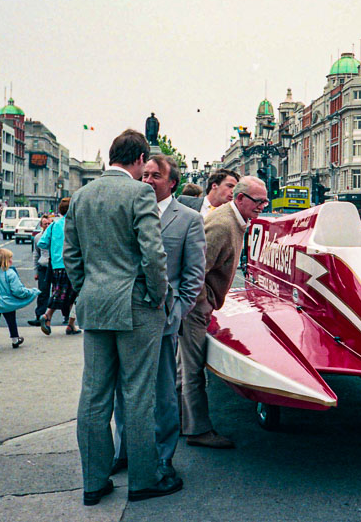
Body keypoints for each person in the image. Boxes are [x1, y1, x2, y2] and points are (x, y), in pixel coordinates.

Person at [63, 129, 179, 504]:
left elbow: (71, 256)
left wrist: (85, 292)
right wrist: (156, 296)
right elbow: (153, 253)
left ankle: (94, 482)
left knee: (94, 396)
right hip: (135, 305)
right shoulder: (140, 193)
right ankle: (145, 479)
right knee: (138, 393)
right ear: (141, 159)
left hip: (95, 305)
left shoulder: (81, 196)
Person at [113, 155, 206, 479]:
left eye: (156, 176)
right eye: (146, 174)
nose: (148, 180)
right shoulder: (130, 210)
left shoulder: (189, 219)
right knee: (124, 389)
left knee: (164, 392)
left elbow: (194, 274)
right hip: (125, 313)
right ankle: (123, 450)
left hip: (164, 319)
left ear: (172, 183)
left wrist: (177, 311)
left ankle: (163, 454)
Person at [181, 176, 268, 449]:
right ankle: (197, 429)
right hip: (194, 307)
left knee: (184, 368)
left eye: (265, 200)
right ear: (240, 199)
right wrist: (204, 302)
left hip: (196, 304)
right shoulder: (222, 225)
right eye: (258, 201)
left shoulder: (233, 220)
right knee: (192, 370)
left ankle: (180, 421)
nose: (263, 206)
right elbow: (194, 270)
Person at [0, 248, 39, 355]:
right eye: (10, 258)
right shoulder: (10, 273)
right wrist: (31, 292)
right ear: (6, 261)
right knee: (11, 320)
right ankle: (15, 339)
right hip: (8, 302)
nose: (12, 260)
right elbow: (17, 290)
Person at [37, 198, 80, 335]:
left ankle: (57, 320)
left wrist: (55, 248)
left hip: (57, 265)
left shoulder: (54, 225)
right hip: (73, 264)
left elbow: (41, 243)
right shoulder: (75, 224)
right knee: (75, 295)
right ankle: (55, 318)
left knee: (61, 293)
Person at [26, 215, 53, 327]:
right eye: (45, 224)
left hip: (55, 266)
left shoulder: (56, 236)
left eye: (49, 224)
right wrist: (36, 272)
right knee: (42, 292)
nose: (47, 226)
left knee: (60, 291)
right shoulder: (38, 237)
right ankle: (39, 317)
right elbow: (36, 254)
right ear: (41, 225)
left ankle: (66, 317)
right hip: (43, 267)